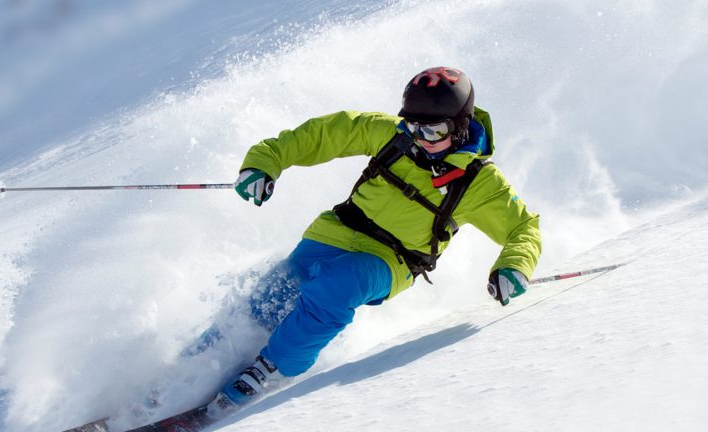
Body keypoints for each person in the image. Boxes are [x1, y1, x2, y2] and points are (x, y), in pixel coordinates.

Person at [221, 66, 542, 404]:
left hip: (393, 259)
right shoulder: (392, 134)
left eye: (433, 131)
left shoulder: (479, 182)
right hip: (338, 229)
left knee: (338, 284)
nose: (420, 138)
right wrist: (264, 162)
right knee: (271, 296)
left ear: (460, 125)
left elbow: (524, 227)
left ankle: (273, 371)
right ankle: (200, 360)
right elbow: (325, 133)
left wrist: (515, 266)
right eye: (414, 127)